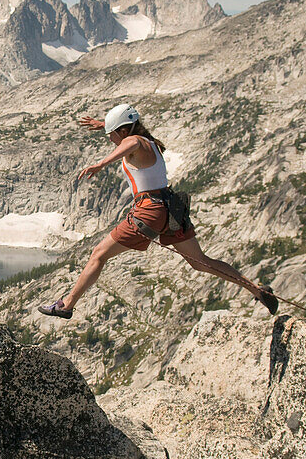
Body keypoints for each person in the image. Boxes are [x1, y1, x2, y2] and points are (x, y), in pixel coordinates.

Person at [38, 103, 277, 320]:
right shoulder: (149, 141)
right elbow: (129, 137)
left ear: (123, 131)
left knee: (99, 254)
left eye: (112, 135)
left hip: (149, 211)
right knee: (201, 262)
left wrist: (101, 163)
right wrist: (104, 124)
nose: (112, 140)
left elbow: (130, 142)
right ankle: (257, 290)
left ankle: (67, 304)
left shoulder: (136, 142)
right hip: (171, 210)